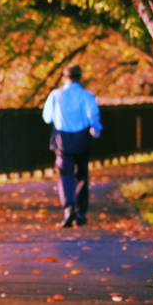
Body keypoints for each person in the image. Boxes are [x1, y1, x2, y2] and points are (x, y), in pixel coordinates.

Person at [42, 64, 102, 228]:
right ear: (80, 77)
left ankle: (68, 208)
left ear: (64, 77)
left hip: (62, 140)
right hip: (82, 138)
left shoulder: (55, 95)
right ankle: (80, 211)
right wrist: (96, 130)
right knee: (82, 174)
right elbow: (93, 116)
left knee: (65, 174)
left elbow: (47, 118)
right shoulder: (87, 96)